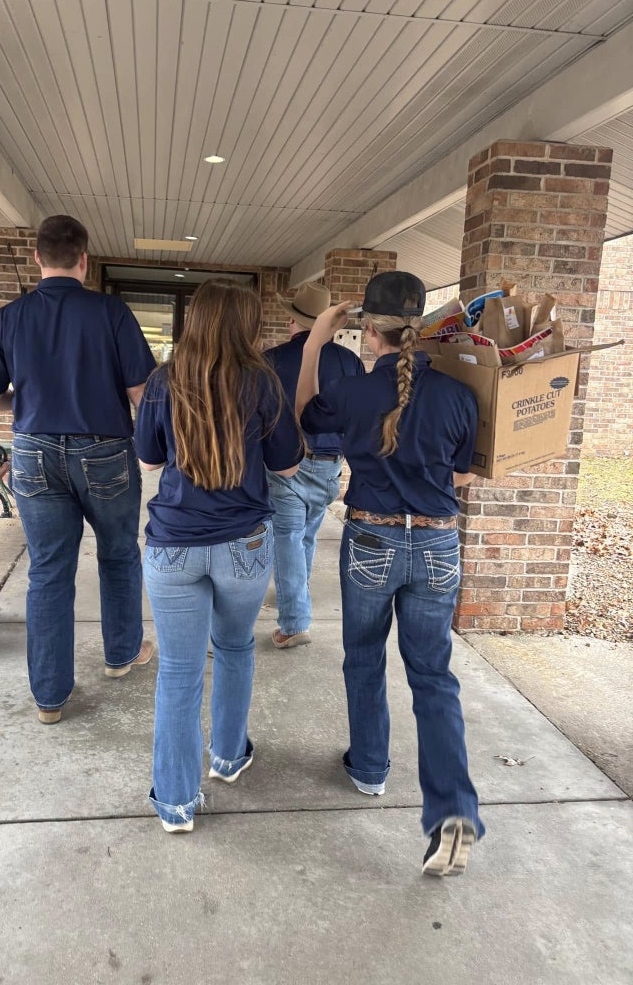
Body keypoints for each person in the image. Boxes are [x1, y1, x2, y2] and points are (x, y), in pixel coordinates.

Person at [295, 270, 485, 877]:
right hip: (437, 544)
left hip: (372, 537)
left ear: (367, 330)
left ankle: (371, 768)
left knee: (364, 657)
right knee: (433, 677)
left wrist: (314, 344)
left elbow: (302, 419)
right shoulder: (459, 396)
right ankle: (452, 810)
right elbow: (462, 474)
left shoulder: (350, 391)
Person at [0, 215, 157, 724]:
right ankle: (121, 655)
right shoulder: (111, 313)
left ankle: (50, 699)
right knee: (119, 555)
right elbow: (143, 393)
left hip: (33, 452)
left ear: (36, 257)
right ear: (85, 259)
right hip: (105, 452)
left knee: (49, 571)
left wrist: (23, 404)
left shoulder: (7, 319)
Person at [134, 278, 302, 833]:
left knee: (179, 673)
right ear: (246, 326)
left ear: (195, 321)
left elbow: (150, 460)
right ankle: (228, 757)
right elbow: (287, 466)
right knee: (234, 648)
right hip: (243, 546)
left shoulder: (164, 382)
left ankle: (177, 802)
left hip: (173, 547)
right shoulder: (263, 383)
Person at [264, 282, 365, 648]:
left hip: (285, 461)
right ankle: (296, 595)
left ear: (293, 320)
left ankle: (294, 621)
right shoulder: (350, 361)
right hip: (330, 462)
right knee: (304, 535)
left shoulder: (271, 359)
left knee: (287, 538)